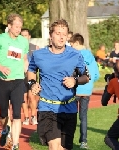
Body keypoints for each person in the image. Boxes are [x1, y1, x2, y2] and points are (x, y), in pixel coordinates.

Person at [27, 19, 90, 150]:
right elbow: (31, 70)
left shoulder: (75, 54)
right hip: (47, 108)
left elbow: (86, 77)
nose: (61, 37)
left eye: (64, 34)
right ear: (51, 35)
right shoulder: (38, 55)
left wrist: (75, 81)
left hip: (69, 108)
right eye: (58, 33)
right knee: (54, 146)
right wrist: (32, 83)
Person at [0, 13, 29, 150]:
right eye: (16, 27)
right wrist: (0, 67)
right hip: (2, 81)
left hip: (18, 81)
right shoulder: (0, 39)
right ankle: (5, 129)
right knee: (3, 113)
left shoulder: (23, 41)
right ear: (9, 26)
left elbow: (25, 59)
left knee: (16, 114)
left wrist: (25, 70)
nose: (18, 30)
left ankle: (15, 144)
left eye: (20, 27)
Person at [69, 33, 100, 149]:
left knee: (70, 115)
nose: (71, 47)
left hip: (75, 88)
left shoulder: (74, 55)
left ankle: (68, 139)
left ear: (77, 43)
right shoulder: (91, 56)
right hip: (86, 90)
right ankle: (84, 141)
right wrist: (90, 83)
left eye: (72, 45)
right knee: (83, 117)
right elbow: (96, 75)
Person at [101, 58, 119, 150]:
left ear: (116, 72)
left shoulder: (114, 82)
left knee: (109, 138)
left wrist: (108, 84)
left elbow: (104, 101)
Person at [21, 28, 39, 125]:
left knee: (31, 97)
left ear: (29, 36)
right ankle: (26, 117)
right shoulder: (17, 48)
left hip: (31, 76)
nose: (24, 37)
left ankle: (33, 116)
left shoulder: (35, 48)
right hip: (20, 76)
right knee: (23, 97)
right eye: (22, 35)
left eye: (25, 35)